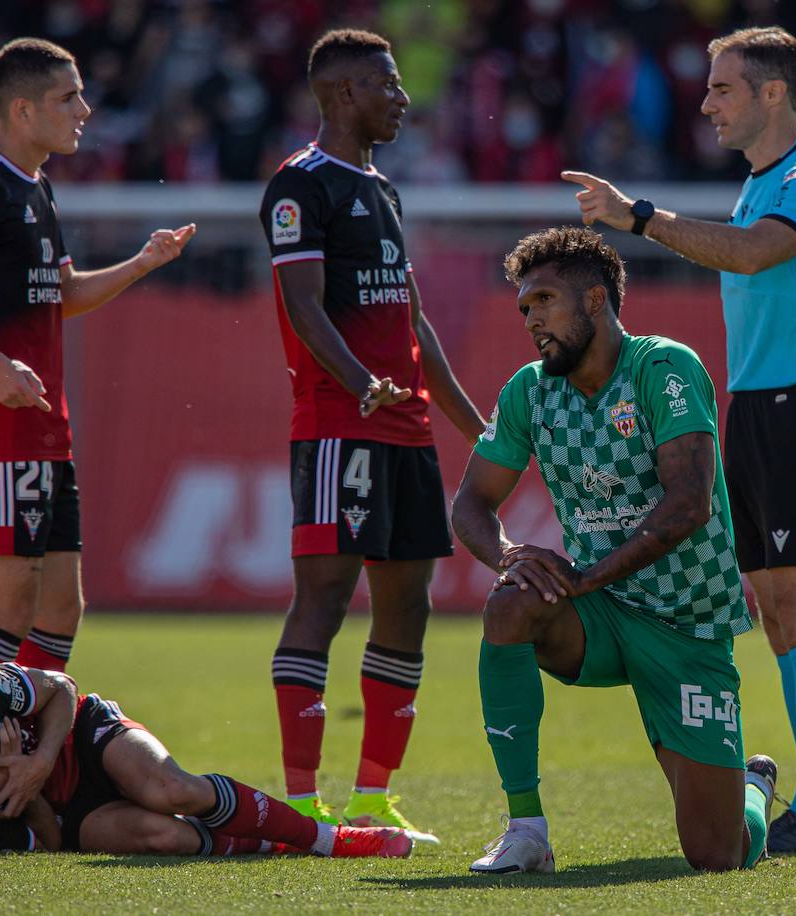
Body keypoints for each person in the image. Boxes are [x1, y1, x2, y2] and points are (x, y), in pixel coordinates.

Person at [562, 26, 796, 854]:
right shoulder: (761, 183)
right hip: (758, 409)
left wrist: (641, 218)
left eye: (723, 87)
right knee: (777, 612)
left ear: (772, 93)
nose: (706, 102)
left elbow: (757, 254)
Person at [452, 227, 776, 875]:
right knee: (511, 604)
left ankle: (753, 788)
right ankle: (526, 831)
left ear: (596, 301)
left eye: (544, 300)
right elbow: (470, 506)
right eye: (524, 308)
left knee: (717, 854)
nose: (532, 319)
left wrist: (588, 574)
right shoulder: (529, 391)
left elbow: (689, 504)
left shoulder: (665, 369)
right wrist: (512, 555)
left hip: (688, 624)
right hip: (599, 615)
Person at [258, 28, 484, 842]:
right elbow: (303, 305)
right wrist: (360, 386)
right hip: (337, 426)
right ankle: (300, 803)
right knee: (321, 598)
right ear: (345, 92)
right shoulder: (300, 185)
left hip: (407, 431)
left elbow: (413, 322)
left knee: (408, 608)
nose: (403, 97)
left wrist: (475, 427)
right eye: (387, 84)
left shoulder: (383, 190)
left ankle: (372, 800)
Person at [0, 38, 195, 674]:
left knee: (62, 607)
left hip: (43, 427)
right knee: (9, 608)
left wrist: (142, 264)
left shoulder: (39, 190)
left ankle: (25, 753)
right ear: (22, 109)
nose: (84, 110)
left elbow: (61, 294)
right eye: (69, 97)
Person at [0, 662, 413, 858]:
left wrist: (38, 760)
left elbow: (59, 686)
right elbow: (50, 842)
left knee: (168, 791)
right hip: (62, 806)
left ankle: (330, 839)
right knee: (165, 838)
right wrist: (24, 794)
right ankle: (264, 837)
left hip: (81, 735)